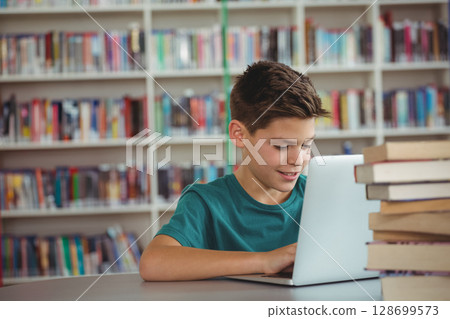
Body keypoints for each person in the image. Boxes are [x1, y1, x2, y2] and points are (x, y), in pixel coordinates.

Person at [139, 60, 329, 281]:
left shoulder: (320, 197)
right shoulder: (204, 203)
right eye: (282, 146)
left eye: (306, 145)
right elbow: (153, 263)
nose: (299, 160)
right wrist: (264, 261)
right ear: (239, 135)